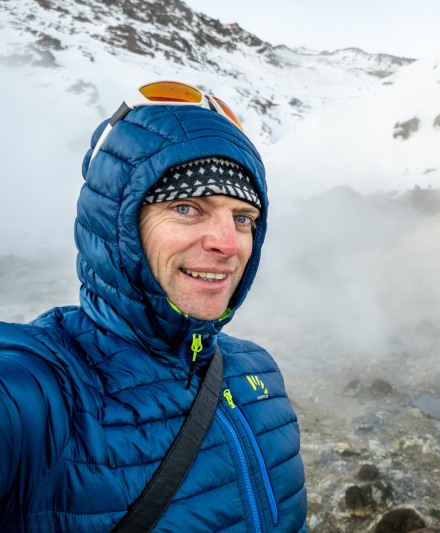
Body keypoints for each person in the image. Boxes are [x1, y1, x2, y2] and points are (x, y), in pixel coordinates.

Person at [0, 81, 307, 531]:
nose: (227, 244)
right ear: (116, 227)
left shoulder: (258, 372)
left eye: (243, 218)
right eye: (187, 208)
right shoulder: (44, 391)